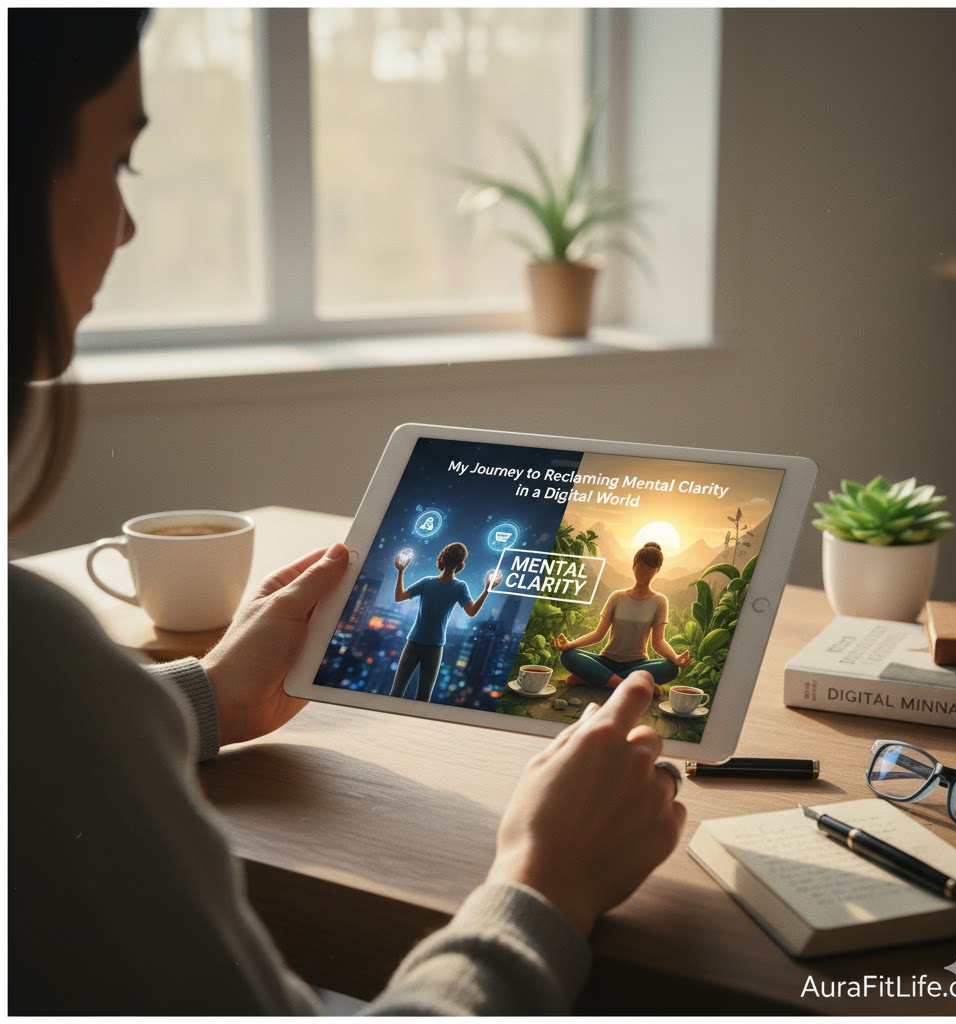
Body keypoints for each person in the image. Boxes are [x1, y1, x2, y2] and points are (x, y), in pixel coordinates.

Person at [7, 10, 685, 1015]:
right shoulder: (35, 657)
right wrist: (545, 884)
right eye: (120, 163)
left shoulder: (49, 677)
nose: (127, 224)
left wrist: (201, 699)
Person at [552, 541, 693, 689]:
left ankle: (596, 679)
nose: (643, 570)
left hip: (638, 664)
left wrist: (676, 658)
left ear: (657, 570)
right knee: (568, 656)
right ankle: (631, 685)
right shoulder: (617, 597)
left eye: (649, 567)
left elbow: (658, 642)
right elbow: (598, 634)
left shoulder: (660, 601)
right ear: (634, 566)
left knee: (670, 668)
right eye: (640, 565)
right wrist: (569, 645)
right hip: (606, 661)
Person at [389, 542, 498, 701]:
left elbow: (471, 611)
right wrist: (401, 571)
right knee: (410, 695)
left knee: (414, 696)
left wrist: (487, 589)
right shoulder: (433, 582)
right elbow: (399, 597)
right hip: (420, 644)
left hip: (429, 645)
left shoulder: (456, 586)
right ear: (461, 563)